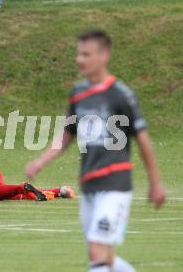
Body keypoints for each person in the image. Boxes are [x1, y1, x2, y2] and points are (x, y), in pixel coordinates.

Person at [25, 29, 166, 272]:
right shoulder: (78, 94)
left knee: (97, 249)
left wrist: (155, 183)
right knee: (103, 257)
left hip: (115, 184)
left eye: (86, 54)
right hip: (88, 185)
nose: (80, 59)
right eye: (78, 54)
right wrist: (40, 161)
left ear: (104, 56)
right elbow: (67, 135)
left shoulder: (121, 95)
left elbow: (143, 140)